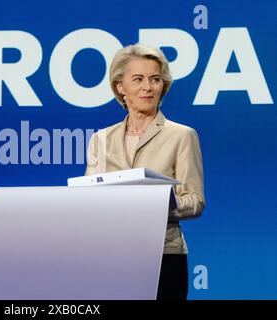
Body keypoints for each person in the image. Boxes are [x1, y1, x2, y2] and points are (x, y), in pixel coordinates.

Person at [85, 43, 205, 300]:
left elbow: (195, 202)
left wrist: (158, 204)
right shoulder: (100, 139)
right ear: (120, 87)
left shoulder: (182, 136)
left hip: (164, 255)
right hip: (113, 255)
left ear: (163, 86)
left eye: (155, 79)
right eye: (138, 79)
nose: (147, 87)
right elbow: (89, 200)